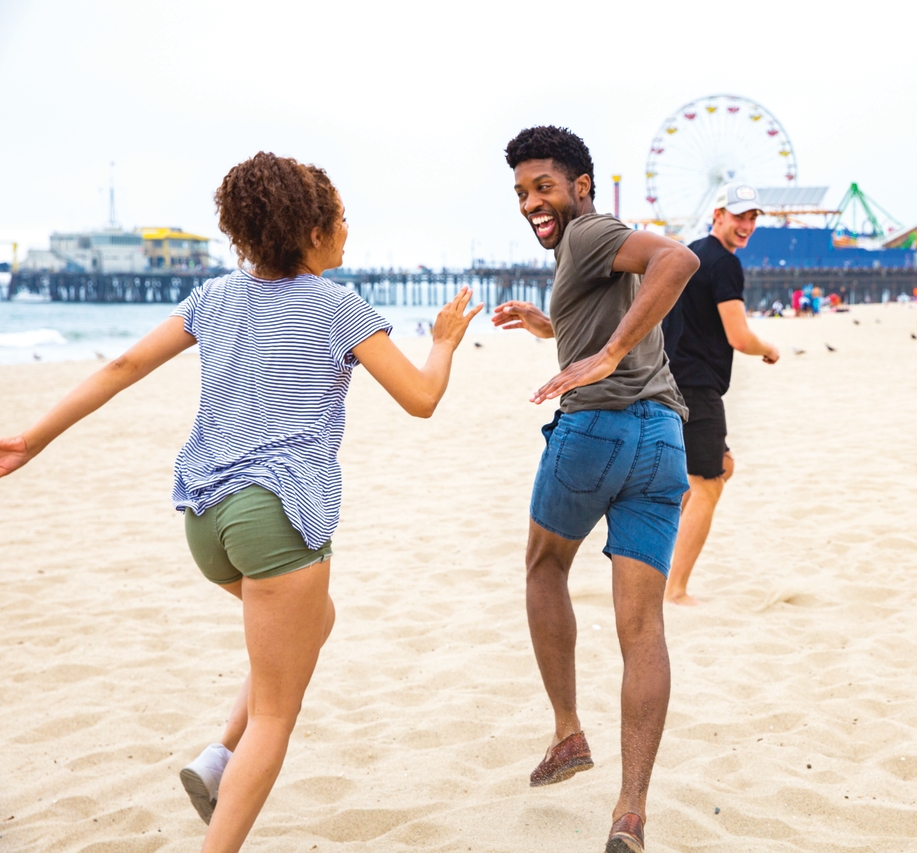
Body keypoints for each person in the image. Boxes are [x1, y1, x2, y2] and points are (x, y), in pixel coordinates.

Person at [0, 152, 482, 853]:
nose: (349, 229)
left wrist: (29, 439)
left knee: (315, 621)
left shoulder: (214, 297)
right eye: (341, 217)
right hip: (275, 515)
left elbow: (121, 365)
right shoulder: (338, 305)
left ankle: (217, 753)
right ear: (313, 230)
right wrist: (442, 343)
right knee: (278, 717)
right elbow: (421, 399)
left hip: (204, 521)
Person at [490, 126, 699, 853]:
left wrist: (604, 357)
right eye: (520, 191)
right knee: (643, 628)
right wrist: (550, 325)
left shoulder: (587, 233)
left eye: (543, 186)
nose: (531, 203)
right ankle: (630, 811)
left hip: (596, 433)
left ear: (582, 185)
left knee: (544, 565)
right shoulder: (591, 254)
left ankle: (568, 732)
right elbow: (620, 310)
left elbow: (681, 258)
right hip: (663, 441)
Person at [660, 183, 779, 606]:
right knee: (708, 486)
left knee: (716, 469)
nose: (746, 225)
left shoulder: (689, 253)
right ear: (719, 215)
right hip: (697, 386)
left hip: (670, 382)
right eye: (739, 216)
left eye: (752, 218)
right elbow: (739, 336)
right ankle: (674, 589)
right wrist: (770, 349)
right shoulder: (724, 263)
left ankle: (658, 568)